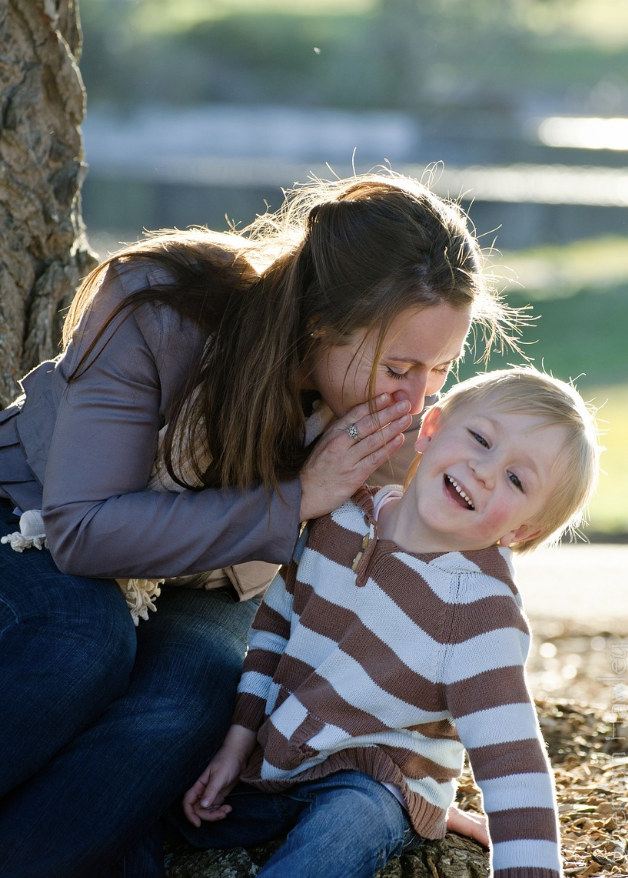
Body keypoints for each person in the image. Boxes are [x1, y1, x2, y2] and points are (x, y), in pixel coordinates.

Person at [0, 171, 513, 878]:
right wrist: (299, 496)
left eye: (439, 369)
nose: (419, 396)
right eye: (400, 365)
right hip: (30, 525)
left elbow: (444, 577)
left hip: (207, 582)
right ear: (321, 323)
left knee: (203, 689)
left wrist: (413, 780)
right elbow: (83, 528)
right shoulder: (160, 308)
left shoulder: (389, 412)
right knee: (83, 640)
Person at [176, 367, 601, 878]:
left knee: (353, 820)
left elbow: (514, 766)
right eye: (481, 438)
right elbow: (273, 630)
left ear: (520, 530)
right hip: (278, 755)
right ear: (431, 428)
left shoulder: (477, 611)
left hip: (382, 780)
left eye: (516, 478)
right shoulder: (341, 518)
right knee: (163, 799)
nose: (486, 470)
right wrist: (237, 741)